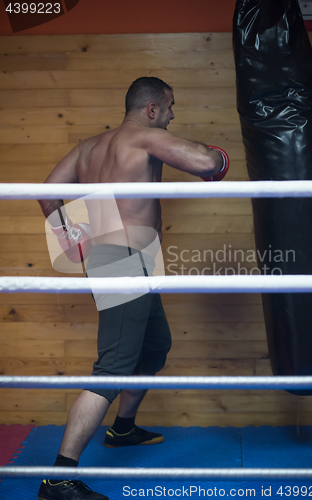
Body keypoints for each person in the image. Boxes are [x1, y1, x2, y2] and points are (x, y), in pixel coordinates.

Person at [37, 77, 228, 500]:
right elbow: (205, 164)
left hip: (123, 259)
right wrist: (221, 157)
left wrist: (73, 243)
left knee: (155, 345)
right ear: (152, 109)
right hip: (127, 261)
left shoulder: (88, 147)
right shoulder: (143, 138)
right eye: (171, 107)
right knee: (112, 369)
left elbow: (47, 194)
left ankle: (122, 429)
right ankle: (59, 478)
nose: (173, 115)